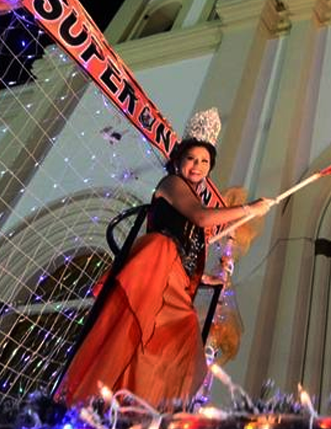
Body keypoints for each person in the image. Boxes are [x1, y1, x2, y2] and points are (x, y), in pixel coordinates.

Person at [58, 108, 274, 405]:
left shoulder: (192, 195)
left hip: (177, 277)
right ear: (179, 160)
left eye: (204, 161)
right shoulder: (172, 185)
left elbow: (189, 246)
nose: (197, 166)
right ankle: (103, 402)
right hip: (157, 261)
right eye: (191, 159)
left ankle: (136, 406)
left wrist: (204, 277)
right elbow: (199, 217)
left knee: (176, 346)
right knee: (136, 334)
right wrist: (249, 209)